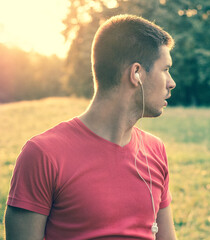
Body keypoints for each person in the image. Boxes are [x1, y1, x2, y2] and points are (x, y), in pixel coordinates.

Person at [5, 14, 177, 240]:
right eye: (165, 69)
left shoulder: (155, 150)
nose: (171, 82)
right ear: (136, 73)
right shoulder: (43, 155)